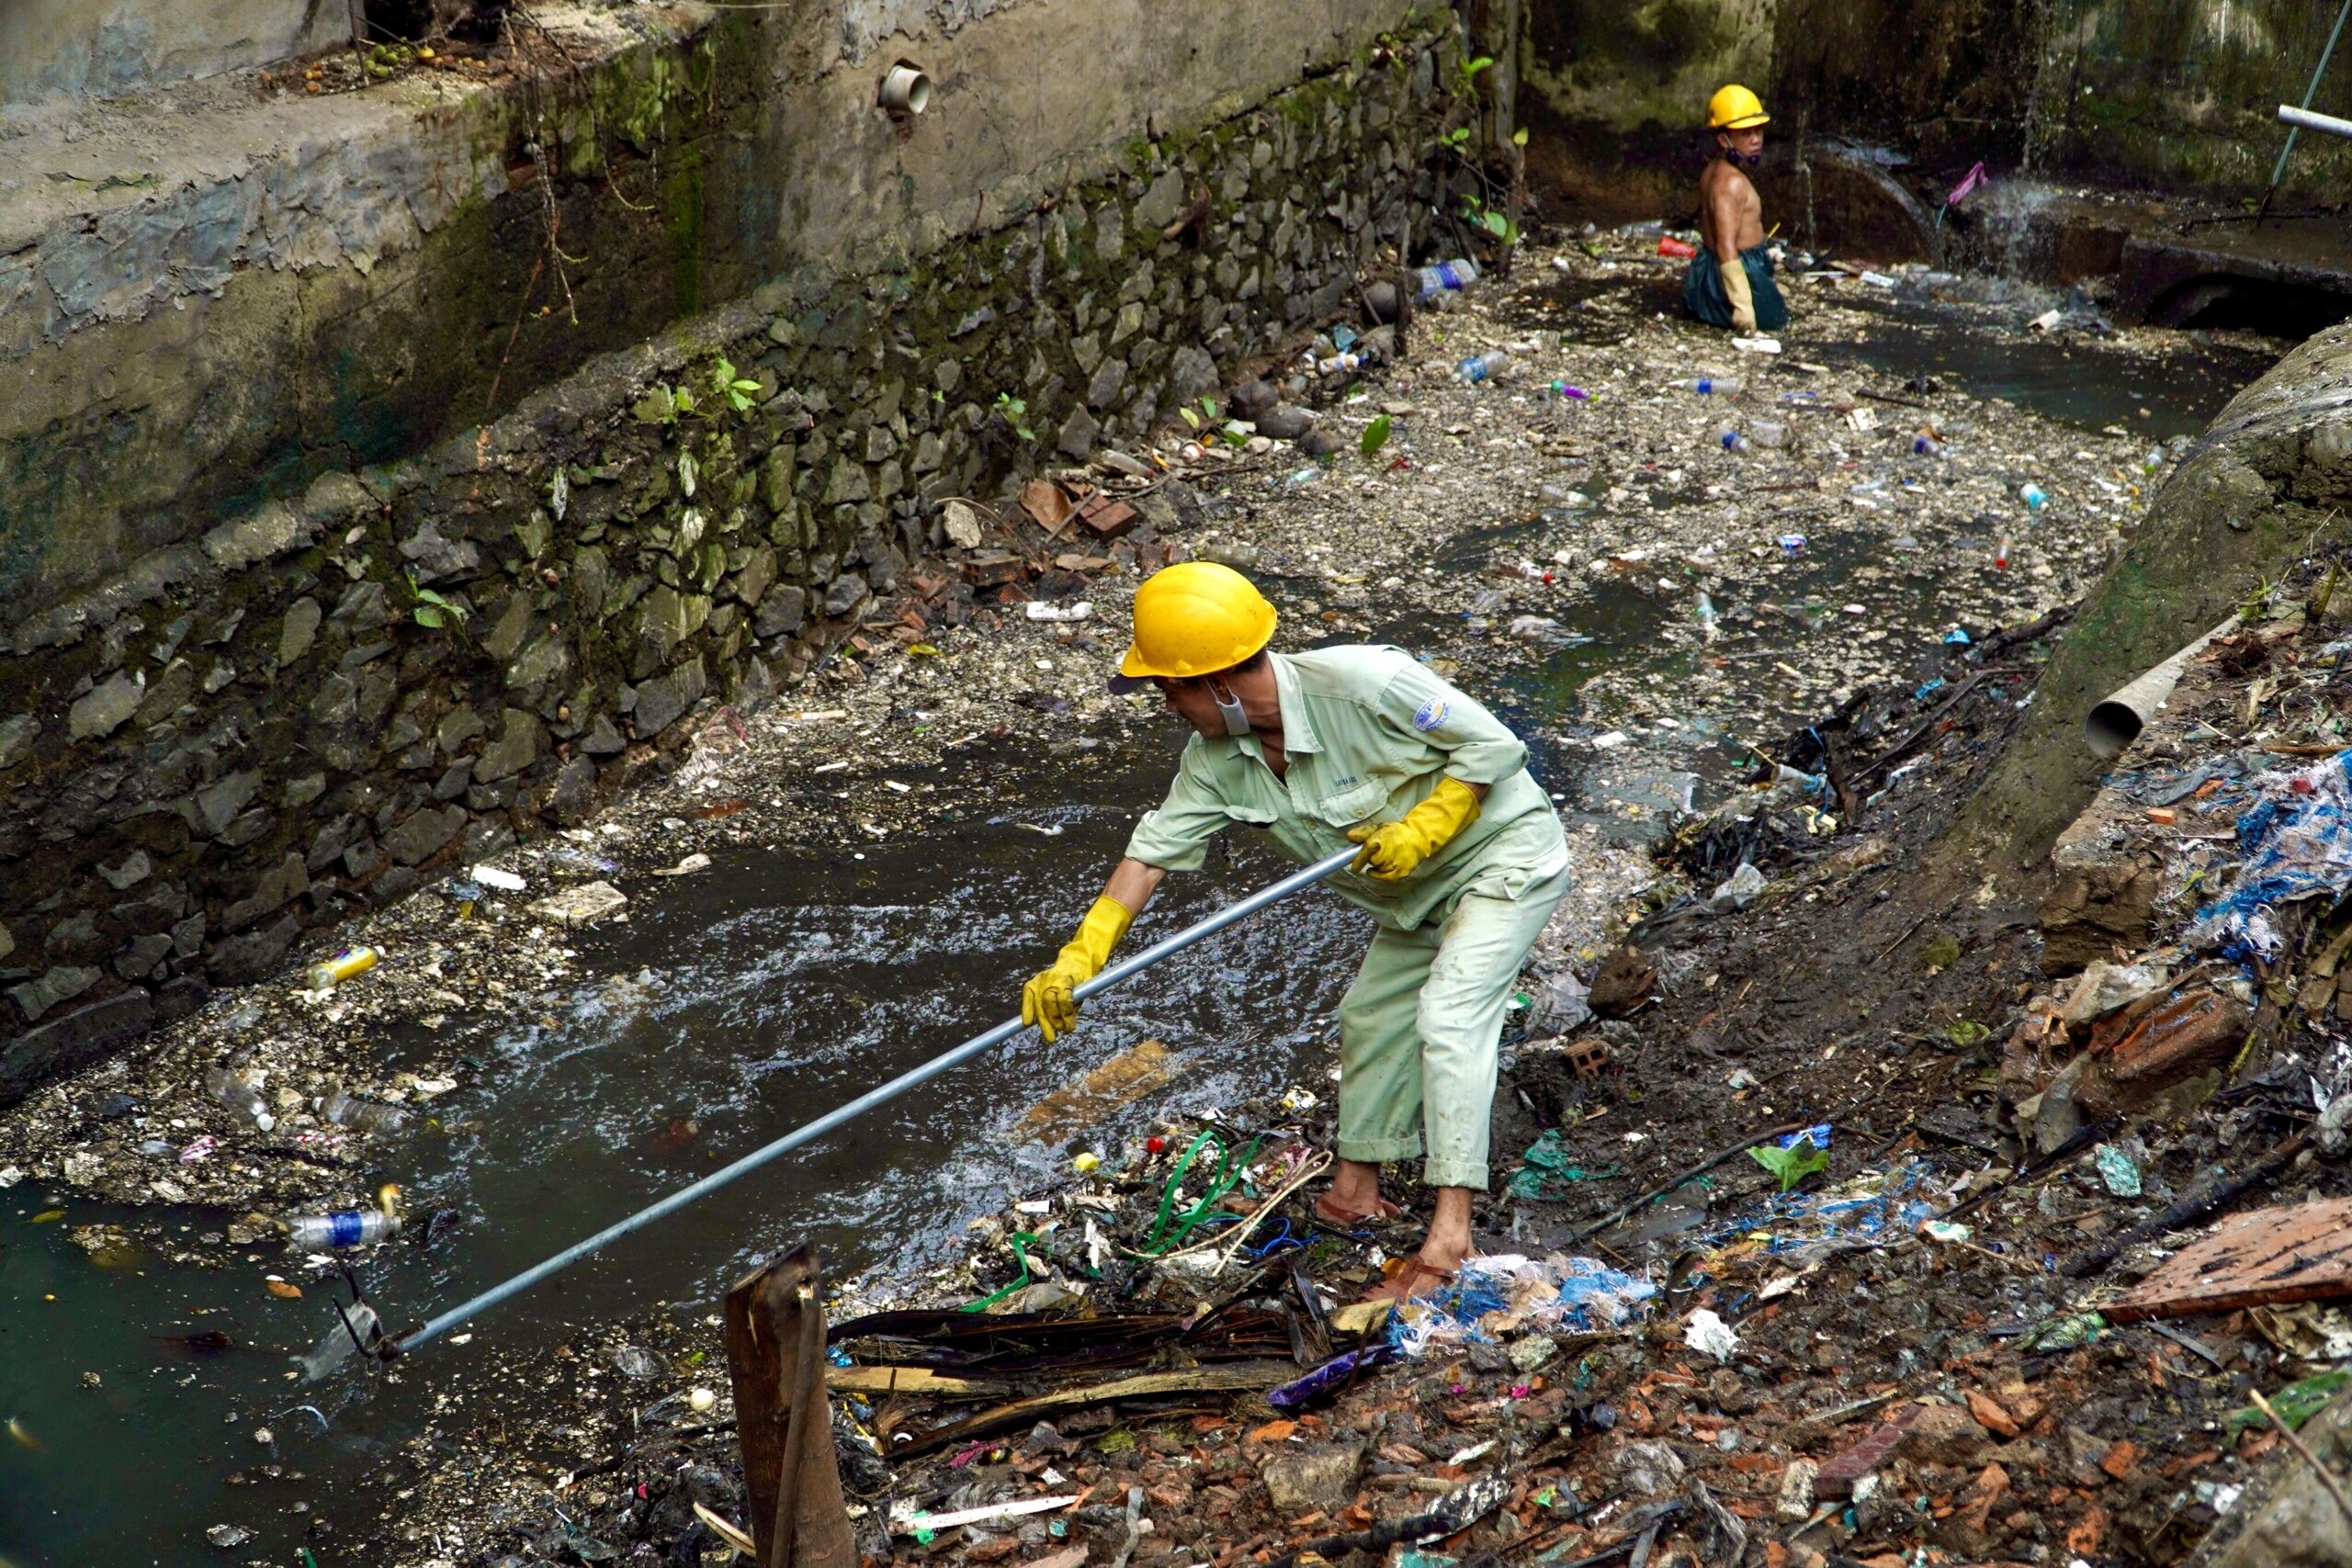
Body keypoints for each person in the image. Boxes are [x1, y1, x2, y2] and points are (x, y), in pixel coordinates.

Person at [1019, 562, 1570, 1302]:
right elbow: (1149, 856)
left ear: (1216, 683)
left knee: (1449, 1016)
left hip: (1501, 858)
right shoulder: (1214, 761)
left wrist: (1430, 821)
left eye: (1169, 689)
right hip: (1410, 900)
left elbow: (1495, 746)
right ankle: (1354, 1191)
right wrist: (1077, 957)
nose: (1166, 705)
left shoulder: (1366, 683)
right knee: (1370, 1016)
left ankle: (1450, 1240)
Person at [1684, 84, 1787, 334]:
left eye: (1758, 131)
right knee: (1779, 322)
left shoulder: (1712, 171)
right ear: (1723, 139)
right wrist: (1743, 305)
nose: (1756, 140)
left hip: (1708, 268)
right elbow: (1726, 246)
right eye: (1746, 134)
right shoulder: (1731, 183)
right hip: (1735, 268)